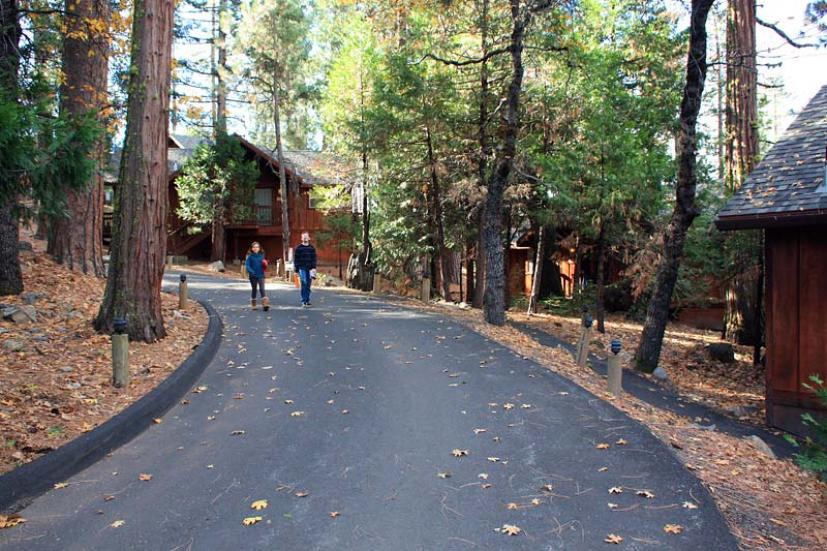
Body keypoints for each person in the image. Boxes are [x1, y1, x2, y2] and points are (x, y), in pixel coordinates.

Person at [294, 231, 317, 307]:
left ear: (309, 238)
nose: (305, 238)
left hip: (310, 269)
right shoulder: (299, 248)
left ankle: (307, 300)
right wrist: (296, 270)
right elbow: (296, 260)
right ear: (301, 238)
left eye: (306, 236)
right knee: (304, 283)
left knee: (308, 285)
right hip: (302, 268)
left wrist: (313, 268)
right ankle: (303, 301)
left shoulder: (312, 248)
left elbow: (314, 259)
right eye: (304, 237)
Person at [245, 242, 269, 311]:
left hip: (261, 274)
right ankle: (254, 304)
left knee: (262, 289)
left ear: (259, 248)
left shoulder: (262, 256)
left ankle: (265, 304)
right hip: (253, 275)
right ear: (252, 248)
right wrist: (251, 271)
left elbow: (264, 266)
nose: (256, 248)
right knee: (254, 289)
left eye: (257, 247)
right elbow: (247, 265)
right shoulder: (250, 257)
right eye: (254, 247)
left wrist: (265, 264)